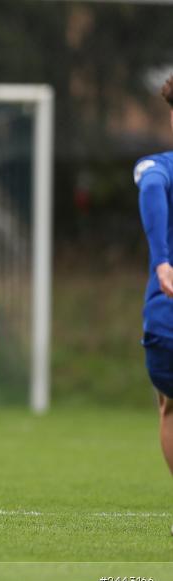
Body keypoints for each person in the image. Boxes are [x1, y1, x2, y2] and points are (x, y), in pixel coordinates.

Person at [136, 74, 173, 494]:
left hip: (167, 311)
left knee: (170, 408)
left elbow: (150, 187)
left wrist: (162, 262)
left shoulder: (158, 166)